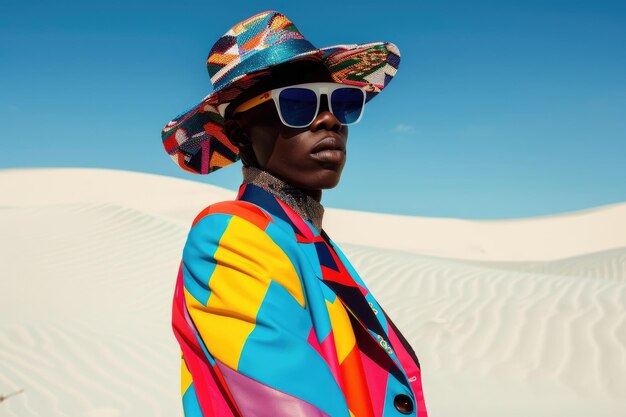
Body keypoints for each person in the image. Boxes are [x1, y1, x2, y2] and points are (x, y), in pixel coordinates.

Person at [161, 10, 428, 417]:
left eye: (342, 102)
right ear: (240, 135)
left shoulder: (308, 241)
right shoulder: (230, 237)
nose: (330, 120)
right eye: (298, 103)